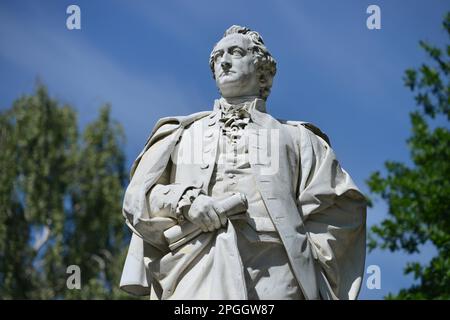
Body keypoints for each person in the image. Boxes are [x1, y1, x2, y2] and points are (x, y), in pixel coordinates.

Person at [119, 25, 367, 300]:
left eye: (235, 52)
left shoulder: (300, 139)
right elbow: (140, 198)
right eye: (217, 57)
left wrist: (308, 254)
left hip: (276, 270)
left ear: (261, 68)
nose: (223, 62)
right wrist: (185, 201)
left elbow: (340, 207)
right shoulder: (180, 133)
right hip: (195, 265)